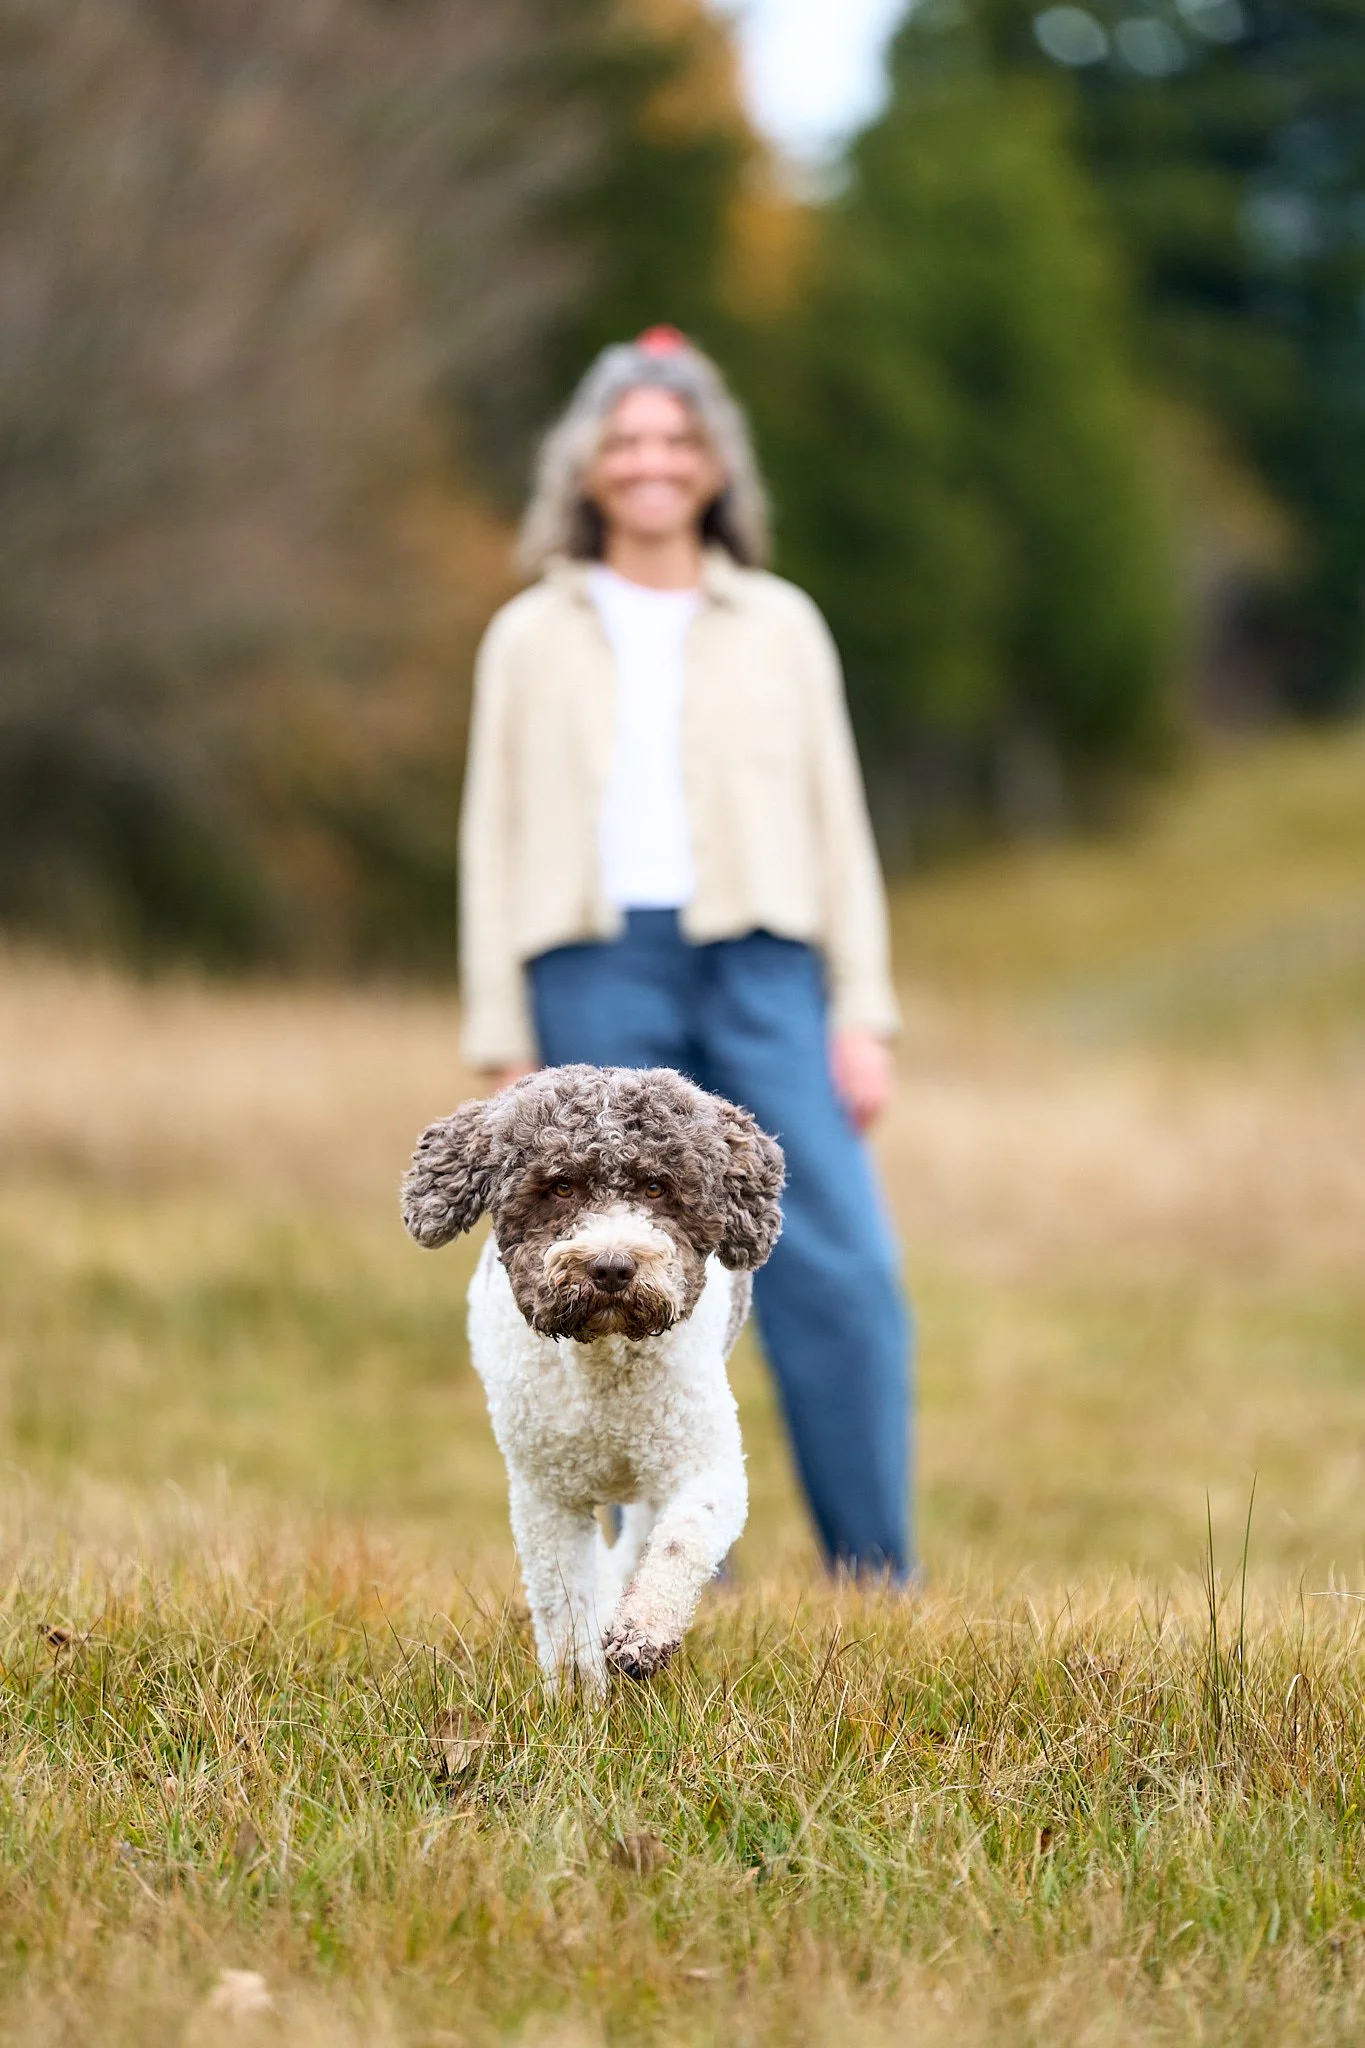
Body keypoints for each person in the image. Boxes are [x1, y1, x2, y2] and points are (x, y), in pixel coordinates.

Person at [458, 327, 914, 1578]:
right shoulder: (529, 633)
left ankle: (877, 1571)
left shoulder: (780, 623)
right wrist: (500, 1036)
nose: (651, 462)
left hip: (764, 966)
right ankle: (664, 1585)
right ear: (586, 465)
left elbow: (837, 822)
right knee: (616, 1275)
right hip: (593, 966)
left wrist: (861, 1009)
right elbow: (491, 836)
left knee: (844, 1267)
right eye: (626, 440)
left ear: (716, 464)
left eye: (676, 439)